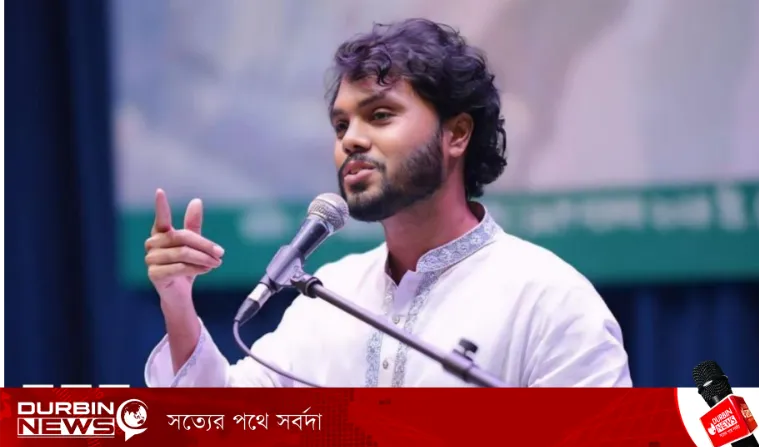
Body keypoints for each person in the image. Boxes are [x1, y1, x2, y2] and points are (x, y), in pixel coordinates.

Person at [143, 18, 632, 388]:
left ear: (457, 134)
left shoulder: (549, 301)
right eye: (341, 125)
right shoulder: (330, 295)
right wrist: (178, 303)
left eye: (379, 115)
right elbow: (228, 423)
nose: (351, 139)